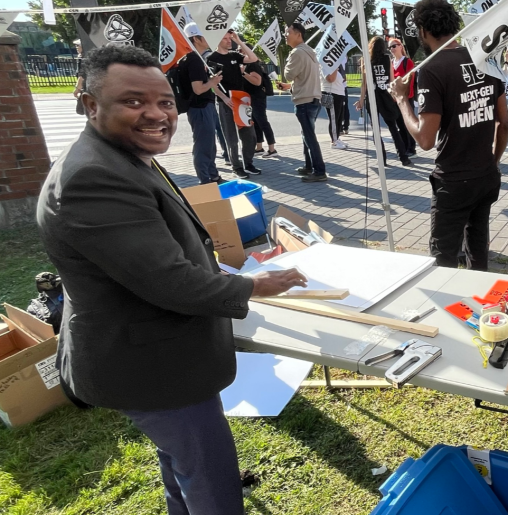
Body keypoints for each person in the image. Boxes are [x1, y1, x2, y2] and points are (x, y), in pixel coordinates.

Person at [37, 44, 308, 515]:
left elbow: (156, 249)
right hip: (150, 365)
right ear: (91, 105)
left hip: (157, 354)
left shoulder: (118, 152)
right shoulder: (91, 177)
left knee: (183, 463)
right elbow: (169, 283)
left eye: (165, 101)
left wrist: (220, 269)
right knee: (211, 478)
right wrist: (255, 285)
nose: (156, 114)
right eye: (134, 101)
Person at [389, 0, 508, 270]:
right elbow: (504, 123)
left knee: (443, 259)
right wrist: (494, 161)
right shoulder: (485, 60)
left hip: (454, 181)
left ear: (423, 30)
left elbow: (424, 139)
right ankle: (483, 305)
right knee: (478, 250)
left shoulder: (432, 69)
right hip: (485, 175)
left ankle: (450, 307)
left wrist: (400, 99)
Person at [206, 29, 262, 178]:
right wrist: (224, 98)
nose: (228, 41)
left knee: (249, 134)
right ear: (217, 41)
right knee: (231, 137)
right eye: (225, 39)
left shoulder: (235, 56)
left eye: (229, 38)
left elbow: (253, 58)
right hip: (226, 102)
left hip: (241, 99)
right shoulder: (212, 58)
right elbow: (213, 84)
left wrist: (239, 40)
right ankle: (236, 167)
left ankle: (248, 164)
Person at [277, 22, 328, 183]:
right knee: (306, 135)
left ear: (298, 34)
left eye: (288, 32)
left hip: (304, 102)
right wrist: (290, 87)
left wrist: (287, 63)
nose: (285, 35)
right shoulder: (310, 52)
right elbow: (304, 78)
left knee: (309, 137)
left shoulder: (297, 53)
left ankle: (319, 171)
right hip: (313, 99)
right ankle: (309, 166)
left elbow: (289, 74)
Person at [355, 36, 415, 166]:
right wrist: (395, 97)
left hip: (372, 96)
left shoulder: (366, 60)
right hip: (386, 96)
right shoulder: (388, 59)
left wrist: (361, 100)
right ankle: (403, 157)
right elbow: (391, 80)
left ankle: (382, 159)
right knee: (393, 127)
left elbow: (364, 84)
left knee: (375, 129)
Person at [181, 23, 229, 184]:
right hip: (200, 107)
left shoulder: (196, 58)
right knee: (203, 145)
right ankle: (205, 180)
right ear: (195, 38)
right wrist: (213, 81)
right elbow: (198, 89)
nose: (210, 39)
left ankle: (213, 175)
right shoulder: (194, 59)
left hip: (204, 106)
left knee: (210, 144)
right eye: (205, 36)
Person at [246, 56, 277, 156]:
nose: (238, 53)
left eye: (241, 51)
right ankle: (259, 147)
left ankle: (272, 149)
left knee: (262, 122)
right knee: (255, 122)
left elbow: (257, 82)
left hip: (257, 97)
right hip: (252, 97)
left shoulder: (253, 65)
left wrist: (243, 73)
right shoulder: (249, 65)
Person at [389, 38, 416, 150]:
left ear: (400, 46)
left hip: (406, 97)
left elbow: (410, 80)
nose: (392, 49)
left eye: (394, 46)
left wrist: (404, 96)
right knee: (399, 123)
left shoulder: (407, 62)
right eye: (390, 47)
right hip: (394, 98)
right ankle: (404, 146)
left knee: (408, 123)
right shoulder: (391, 63)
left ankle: (411, 148)